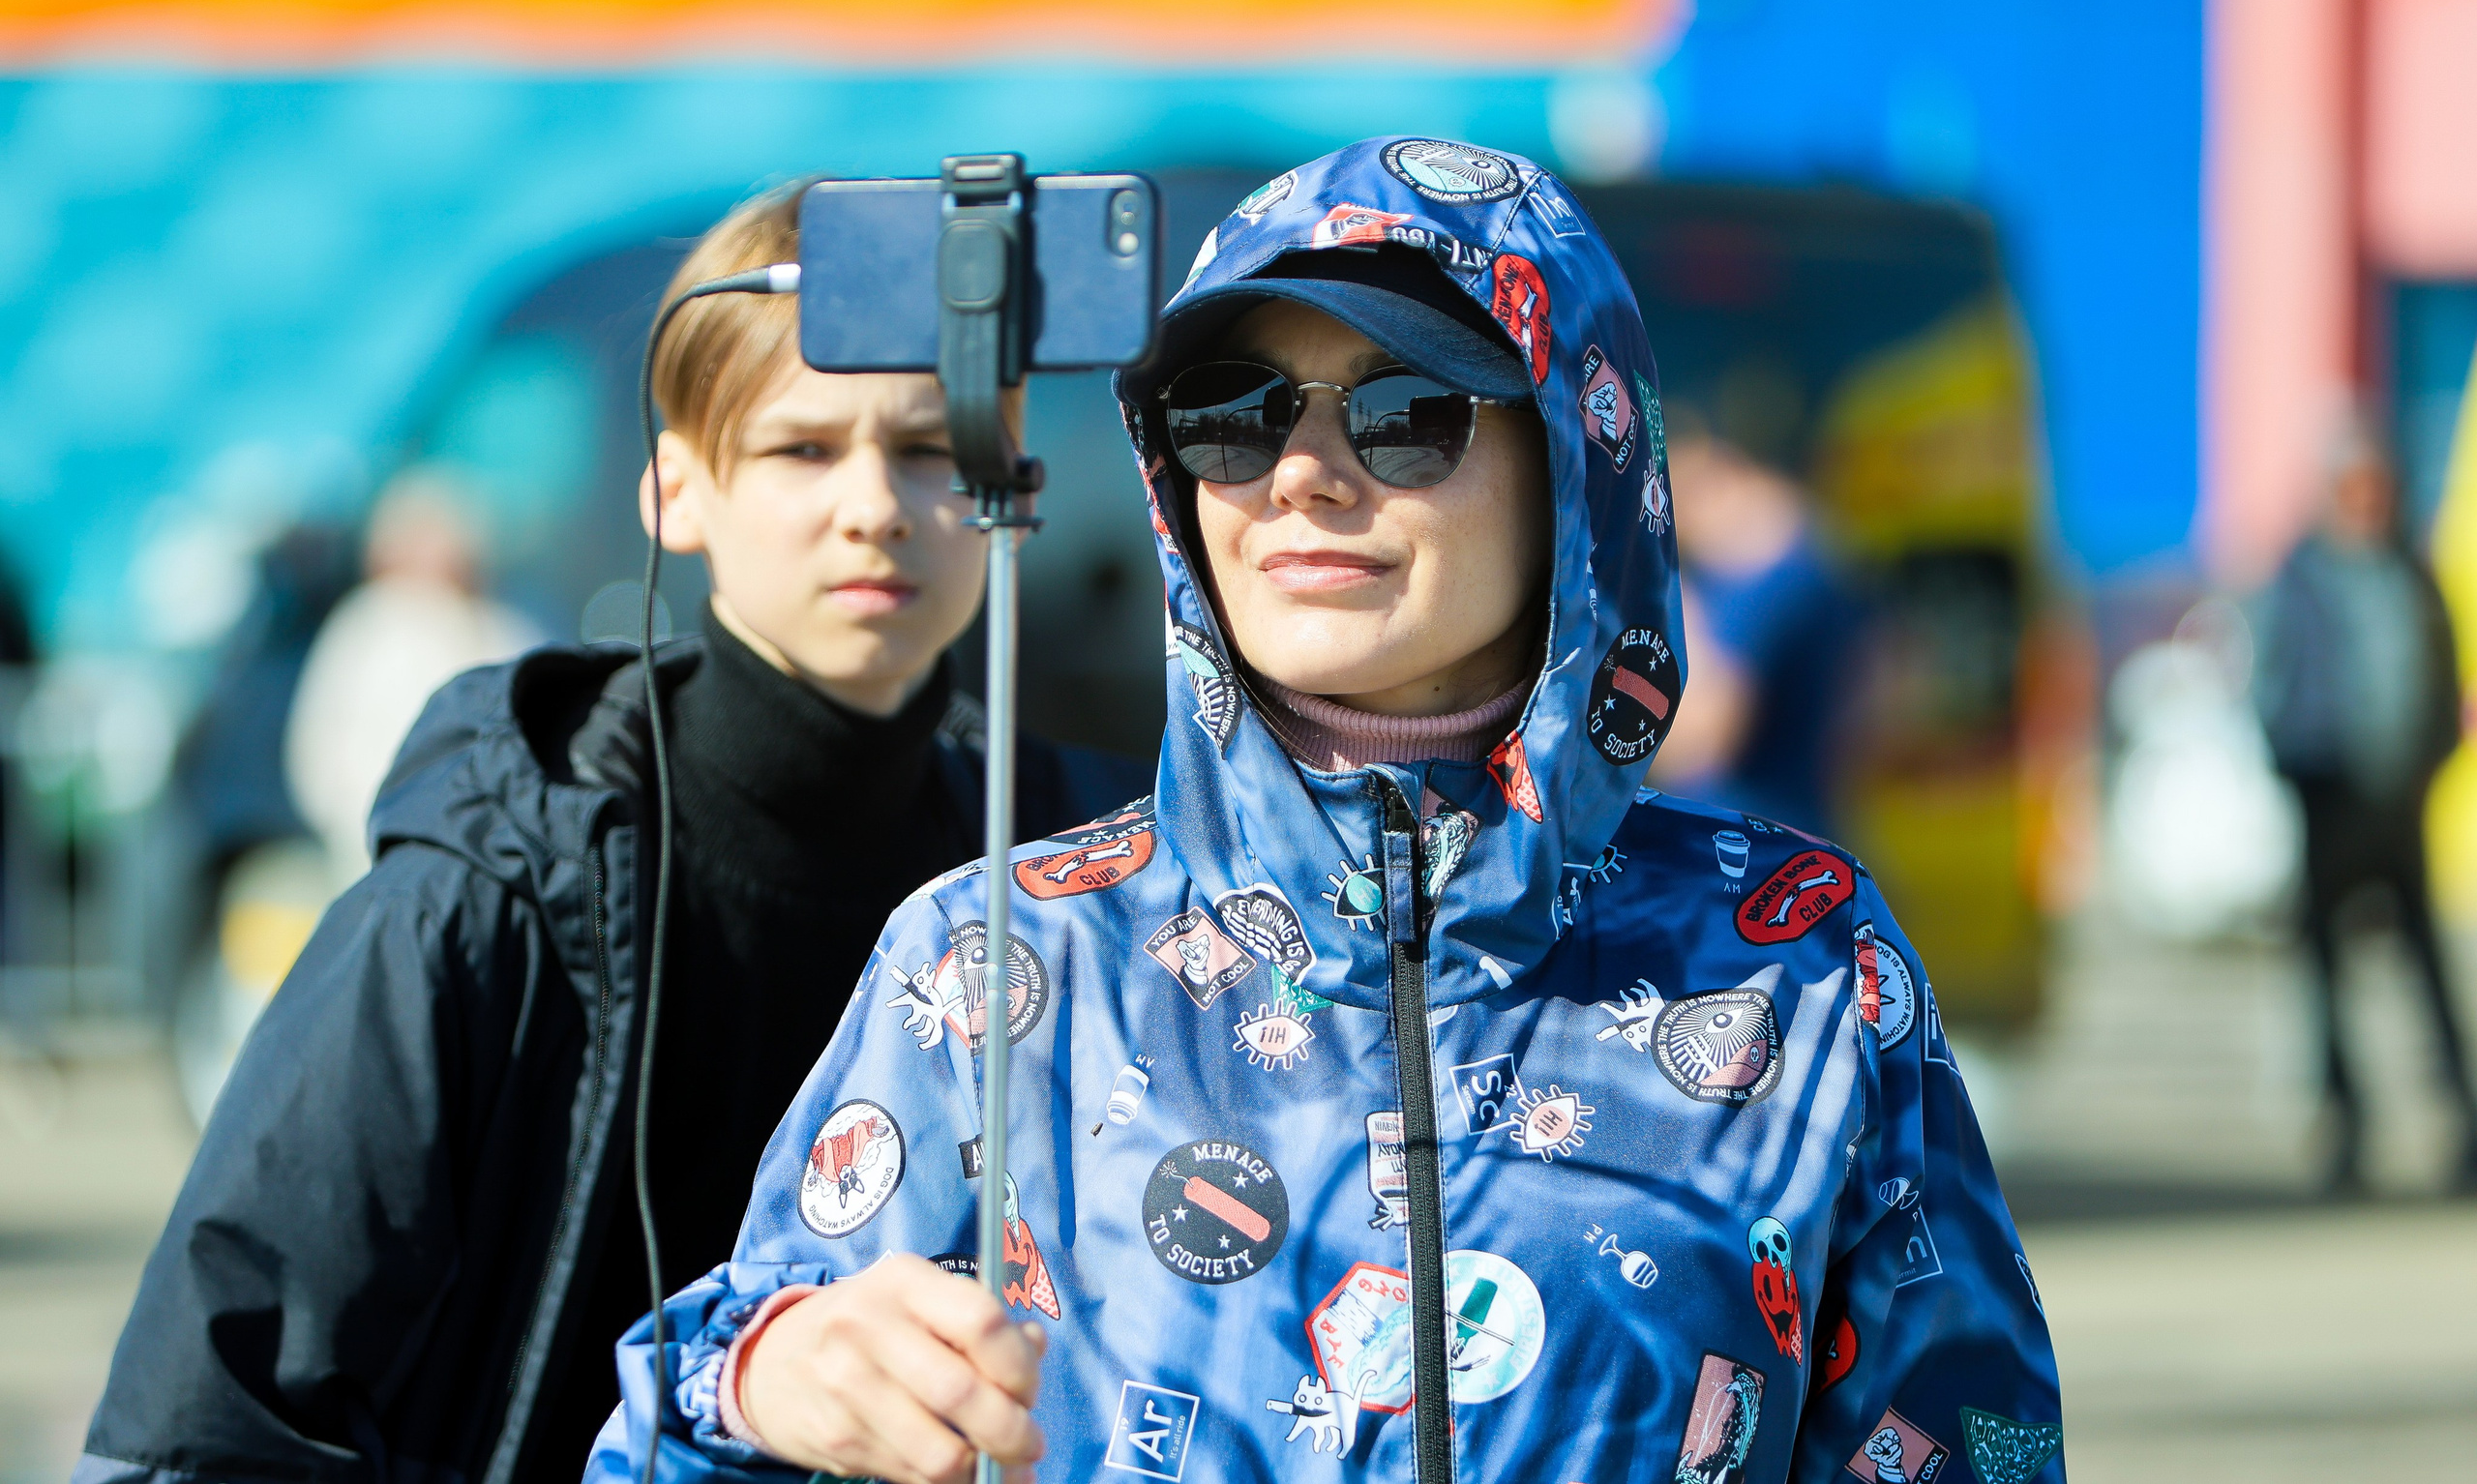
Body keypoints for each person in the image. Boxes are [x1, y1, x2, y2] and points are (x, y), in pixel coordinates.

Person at [593, 140, 2060, 1484]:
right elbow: (671, 1442)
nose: (1300, 472)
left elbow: (1971, 1449)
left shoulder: (1795, 961)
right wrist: (759, 1380)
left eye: (1405, 412)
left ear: (1572, 460)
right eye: (1228, 416)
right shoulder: (993, 958)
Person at [75, 185, 1144, 1484]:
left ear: (1011, 485)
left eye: (931, 450)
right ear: (674, 490)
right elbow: (214, 1416)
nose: (873, 504)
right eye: (801, 449)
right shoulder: (499, 877)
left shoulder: (1080, 876)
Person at [2253, 430, 2477, 1192]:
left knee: (2426, 972)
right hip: (2328, 791)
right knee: (2326, 974)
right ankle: (2347, 1125)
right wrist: (2294, 765)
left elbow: (2444, 680)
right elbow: (2273, 679)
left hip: (2397, 798)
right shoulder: (2302, 576)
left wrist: (2425, 764)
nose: (2367, 502)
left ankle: (2463, 1121)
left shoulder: (2410, 573)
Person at [284, 468, 543, 884]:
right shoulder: (377, 621)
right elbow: (322, 755)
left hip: (433, 861)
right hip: (399, 856)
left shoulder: (502, 628)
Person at [1653, 426, 1859, 838]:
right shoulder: (1822, 563)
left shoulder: (1763, 583)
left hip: (1745, 841)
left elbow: (1705, 736)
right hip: (1799, 821)